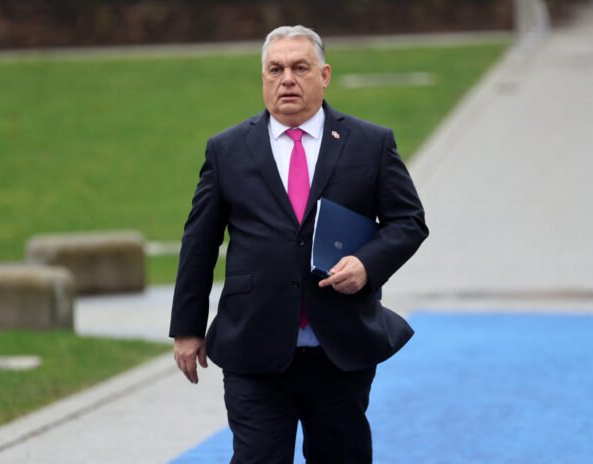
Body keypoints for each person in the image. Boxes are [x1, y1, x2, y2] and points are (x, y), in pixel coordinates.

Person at [170, 25, 428, 463]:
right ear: (263, 78)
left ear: (324, 75)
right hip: (254, 345)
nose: (287, 79)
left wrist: (367, 265)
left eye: (300, 68)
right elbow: (199, 242)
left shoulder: (370, 144)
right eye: (276, 69)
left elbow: (408, 221)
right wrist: (188, 327)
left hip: (340, 348)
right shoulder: (227, 150)